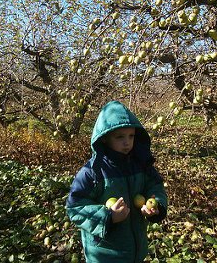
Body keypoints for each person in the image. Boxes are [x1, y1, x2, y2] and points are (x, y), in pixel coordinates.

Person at [66, 100, 168, 263]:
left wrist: (157, 205)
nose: (127, 142)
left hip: (136, 251)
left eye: (131, 136)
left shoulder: (141, 164)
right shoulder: (93, 172)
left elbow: (155, 186)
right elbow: (75, 207)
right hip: (105, 255)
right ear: (105, 138)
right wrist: (108, 216)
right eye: (119, 137)